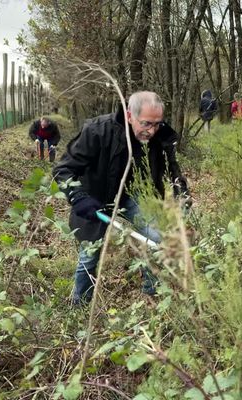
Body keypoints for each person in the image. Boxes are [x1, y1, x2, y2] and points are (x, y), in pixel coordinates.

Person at [53, 91, 191, 304]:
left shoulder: (160, 136)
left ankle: (152, 296)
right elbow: (63, 170)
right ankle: (80, 305)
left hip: (135, 195)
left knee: (155, 238)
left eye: (157, 124)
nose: (151, 131)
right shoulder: (97, 131)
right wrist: (79, 197)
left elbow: (173, 169)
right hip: (96, 197)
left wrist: (182, 194)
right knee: (90, 253)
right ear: (129, 116)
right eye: (146, 123)